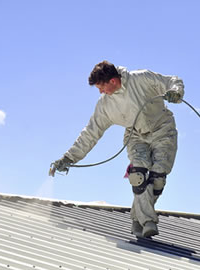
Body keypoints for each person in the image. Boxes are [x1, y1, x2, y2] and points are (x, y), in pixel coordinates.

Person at [52, 60, 184, 238]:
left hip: (163, 130)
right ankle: (148, 221)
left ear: (113, 81)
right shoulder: (105, 105)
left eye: (101, 87)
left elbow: (172, 80)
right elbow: (90, 133)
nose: (100, 92)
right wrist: (69, 158)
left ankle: (137, 218)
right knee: (138, 175)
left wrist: (176, 92)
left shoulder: (141, 78)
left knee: (158, 178)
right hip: (135, 135)